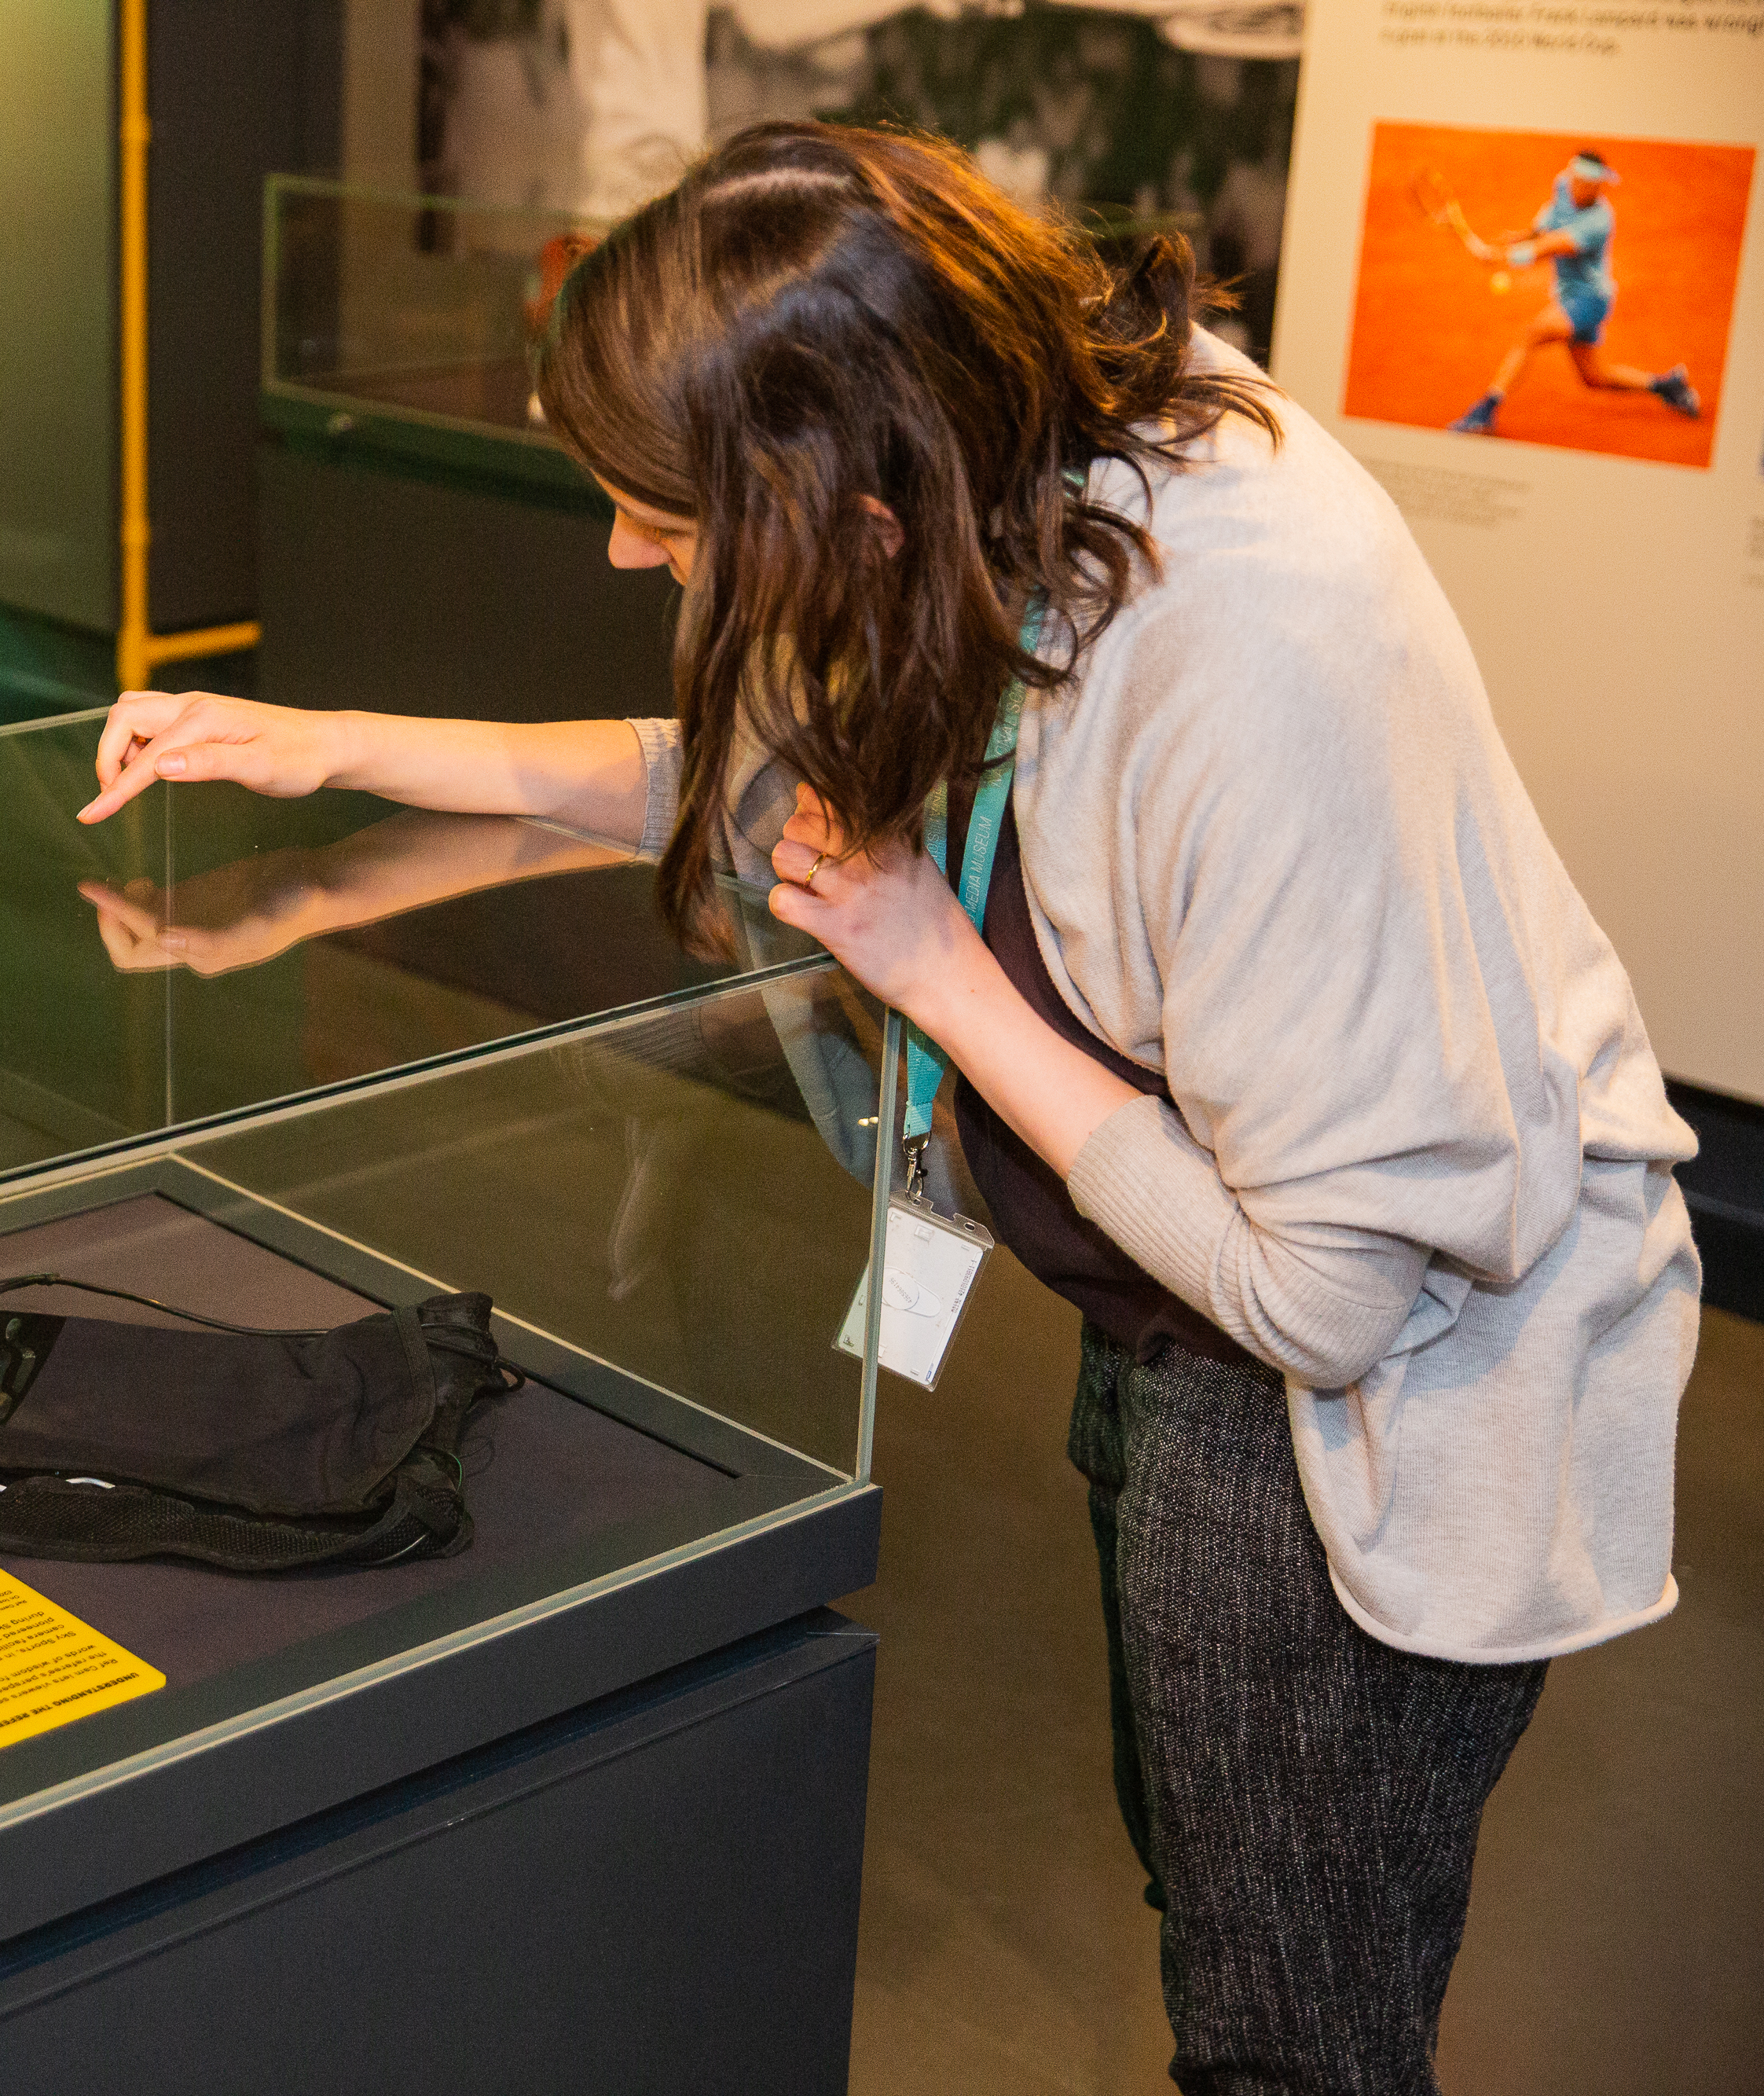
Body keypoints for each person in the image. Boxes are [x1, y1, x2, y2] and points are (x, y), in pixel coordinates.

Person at [83, 123, 1697, 2093]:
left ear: (836, 484)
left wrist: (933, 971)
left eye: (659, 517)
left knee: (1289, 2031)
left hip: (1347, 1392)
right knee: (1216, 1896)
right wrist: (325, 745)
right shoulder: (1011, 479)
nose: (618, 552)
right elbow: (764, 781)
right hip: (1169, 1305)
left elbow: (1328, 1295)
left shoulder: (1252, 640)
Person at [1446, 149, 1701, 435]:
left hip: (1590, 300)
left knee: (1531, 334)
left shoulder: (1599, 222)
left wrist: (1502, 257)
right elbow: (1539, 233)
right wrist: (1499, 244)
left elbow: (1548, 248)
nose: (1581, 189)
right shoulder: (1563, 189)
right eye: (1577, 181)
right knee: (1594, 377)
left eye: (1590, 184)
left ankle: (1485, 412)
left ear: (1600, 184)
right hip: (1569, 297)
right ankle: (1667, 386)